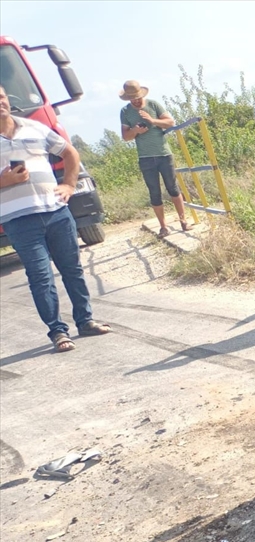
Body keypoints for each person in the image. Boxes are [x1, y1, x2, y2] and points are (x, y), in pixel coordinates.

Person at [0, 86, 109, 352]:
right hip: (19, 220)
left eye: (1, 97)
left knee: (72, 269)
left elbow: (69, 153)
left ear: (7, 99)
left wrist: (70, 185)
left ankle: (86, 321)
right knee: (40, 276)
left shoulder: (34, 127)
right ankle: (58, 332)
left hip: (56, 212)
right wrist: (5, 180)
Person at [118, 80, 193, 239]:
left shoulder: (153, 105)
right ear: (128, 99)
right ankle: (163, 227)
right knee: (154, 192)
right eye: (133, 98)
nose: (136, 100)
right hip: (145, 157)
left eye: (138, 97)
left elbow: (170, 122)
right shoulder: (125, 112)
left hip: (164, 154)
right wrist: (136, 130)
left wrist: (152, 121)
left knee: (173, 188)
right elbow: (125, 136)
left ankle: (183, 220)